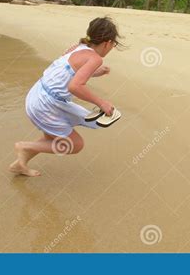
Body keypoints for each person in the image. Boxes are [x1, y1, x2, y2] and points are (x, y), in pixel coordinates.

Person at [9, 17, 121, 176]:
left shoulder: (78, 47)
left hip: (37, 94)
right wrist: (101, 103)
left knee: (52, 138)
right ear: (108, 43)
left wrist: (96, 72)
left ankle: (19, 164)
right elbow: (75, 86)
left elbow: (69, 72)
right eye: (114, 45)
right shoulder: (95, 58)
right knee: (75, 145)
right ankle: (24, 147)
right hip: (46, 104)